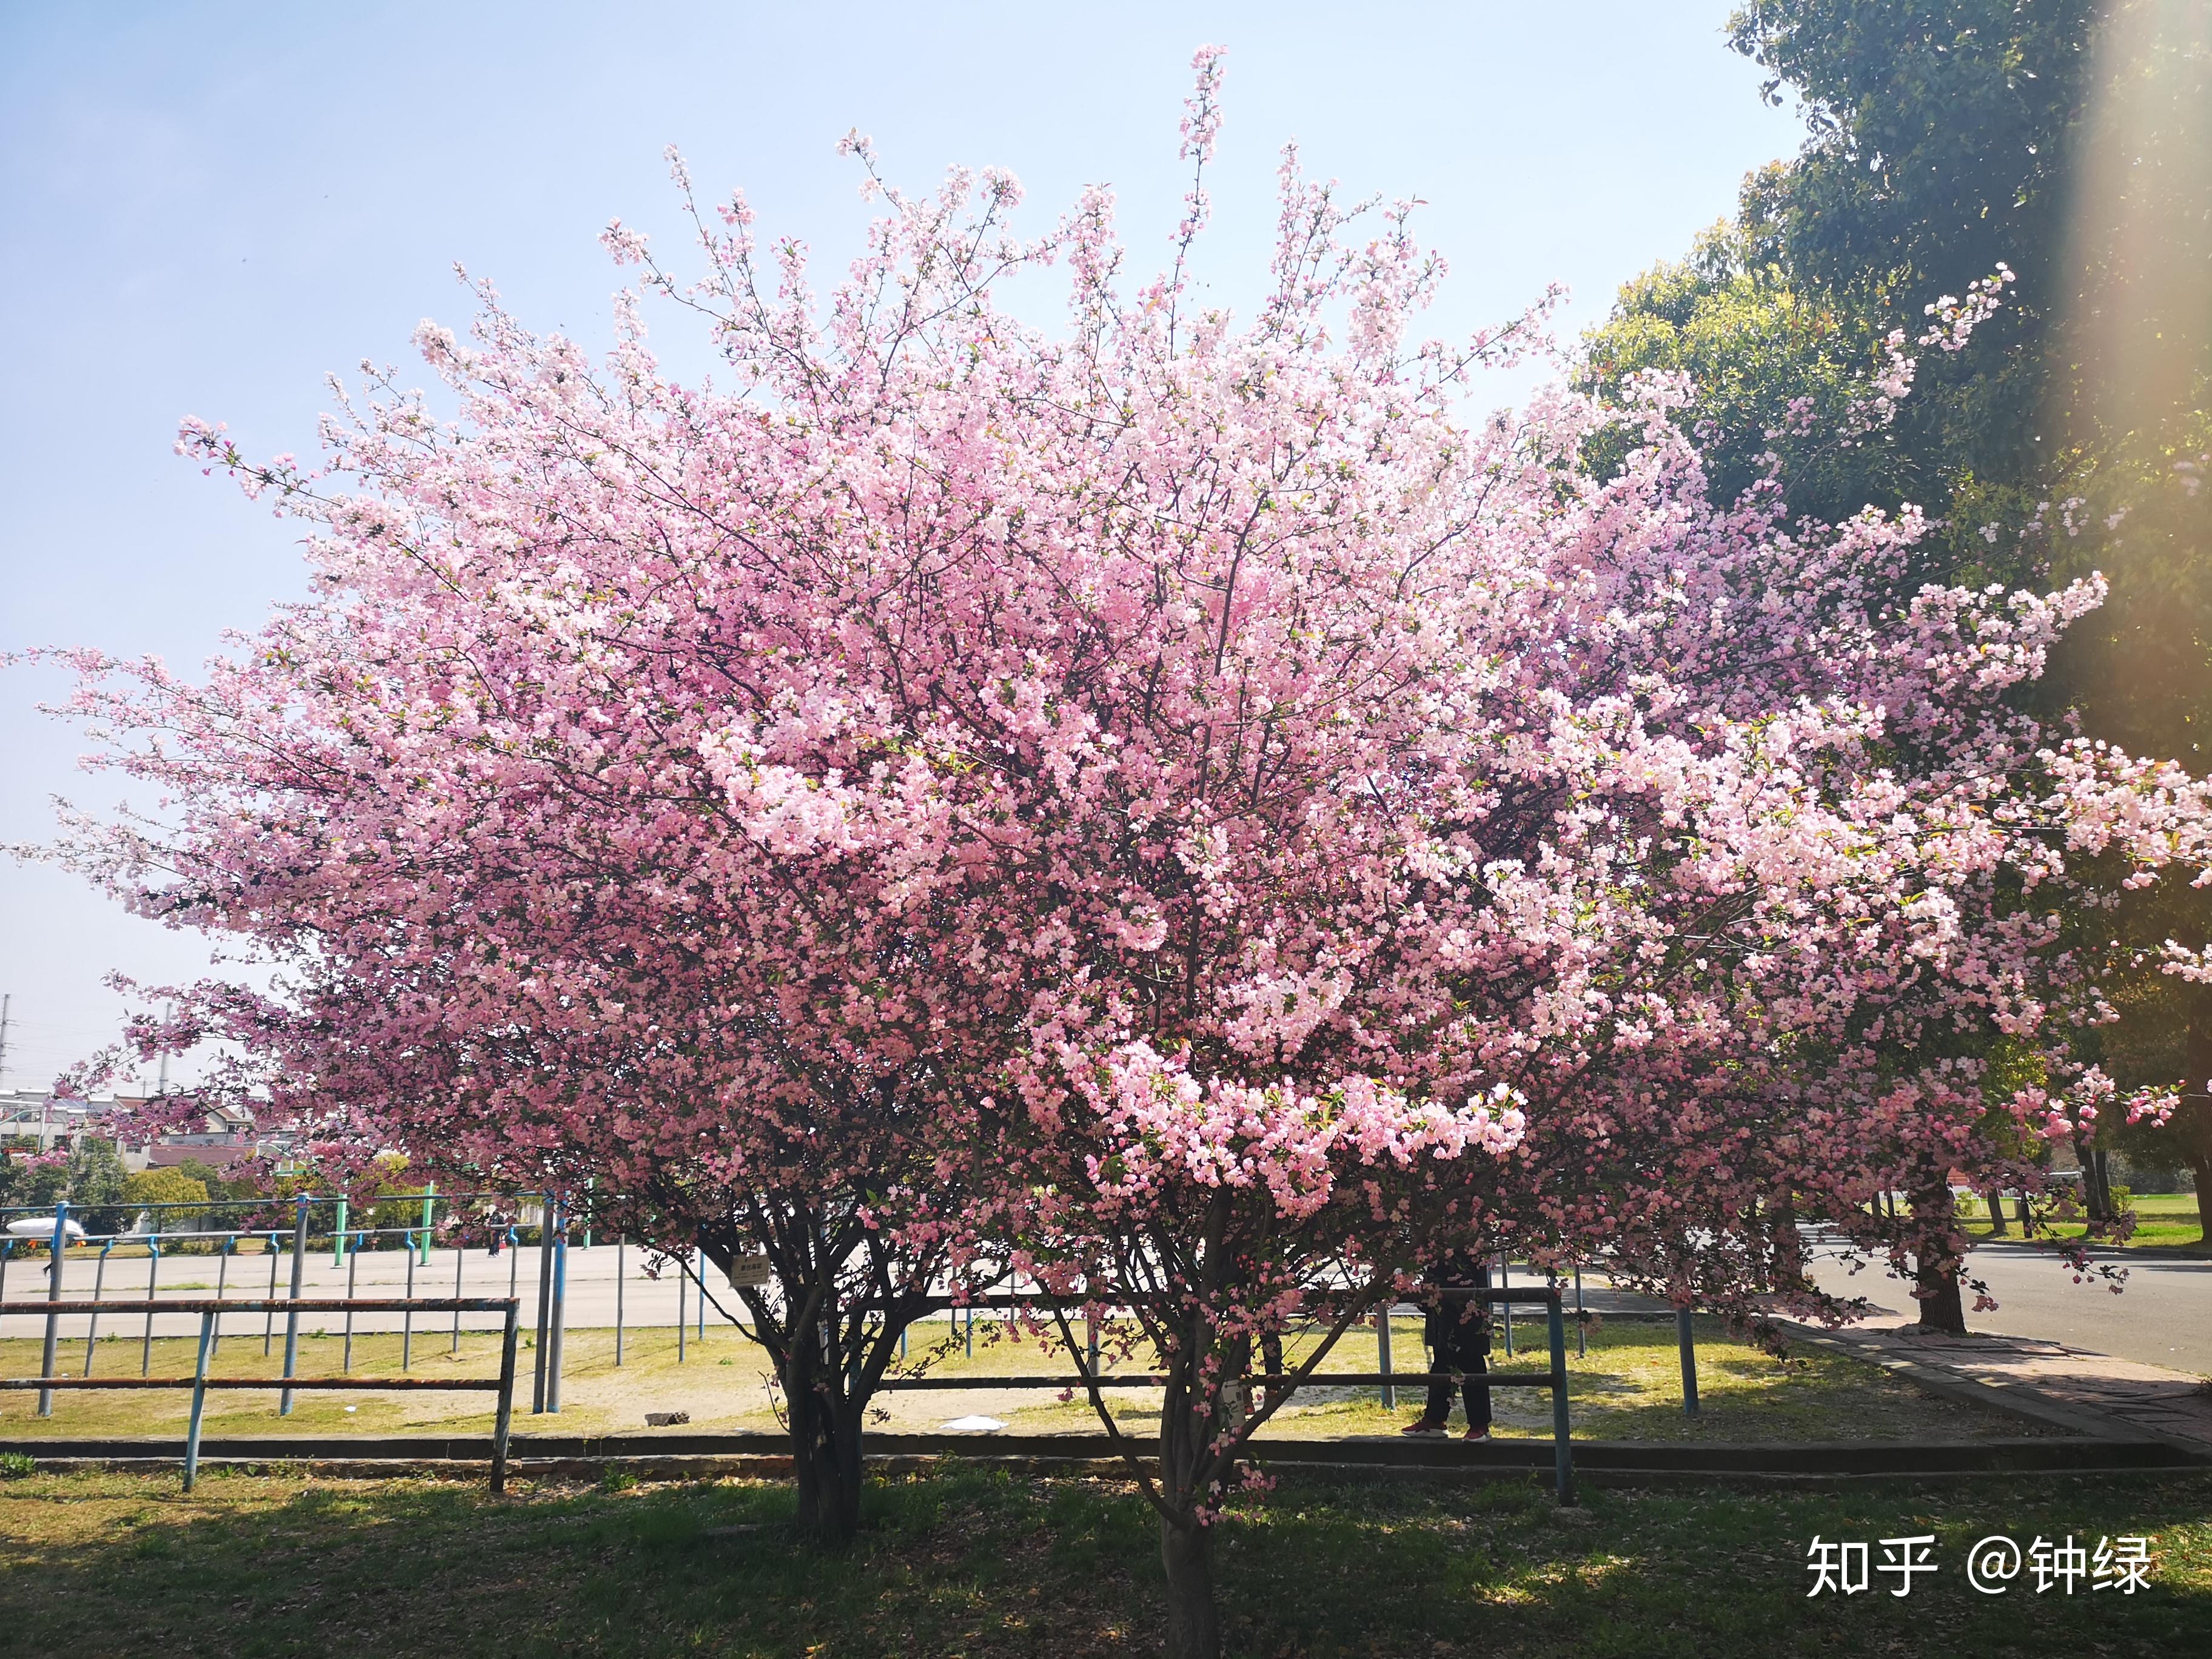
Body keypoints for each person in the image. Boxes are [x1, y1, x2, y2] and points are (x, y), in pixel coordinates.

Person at [1400, 1251, 1492, 1439]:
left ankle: (1479, 1424)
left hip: (1466, 1300)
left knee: (1471, 1359)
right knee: (1442, 1361)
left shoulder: (1469, 1241)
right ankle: (1435, 1420)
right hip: (1443, 1309)